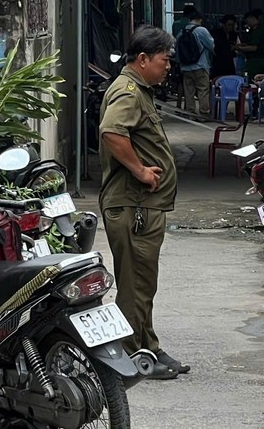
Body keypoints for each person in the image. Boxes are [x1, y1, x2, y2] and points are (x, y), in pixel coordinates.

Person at [98, 25, 189, 380]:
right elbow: (111, 131)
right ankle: (132, 355)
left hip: (142, 206)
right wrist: (139, 170)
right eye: (164, 60)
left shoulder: (139, 90)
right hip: (133, 205)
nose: (168, 66)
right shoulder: (128, 92)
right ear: (143, 59)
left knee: (143, 282)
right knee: (136, 281)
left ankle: (147, 344)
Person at [178, 11, 214, 119]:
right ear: (200, 20)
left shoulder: (182, 31)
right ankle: (204, 113)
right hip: (201, 65)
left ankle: (191, 113)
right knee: (203, 90)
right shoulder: (202, 30)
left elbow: (177, 50)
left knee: (189, 91)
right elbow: (211, 45)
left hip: (186, 67)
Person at [236, 9, 264, 80]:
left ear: (252, 18)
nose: (247, 24)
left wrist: (238, 48)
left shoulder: (261, 30)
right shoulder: (254, 30)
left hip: (258, 61)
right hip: (256, 61)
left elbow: (254, 47)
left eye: (247, 21)